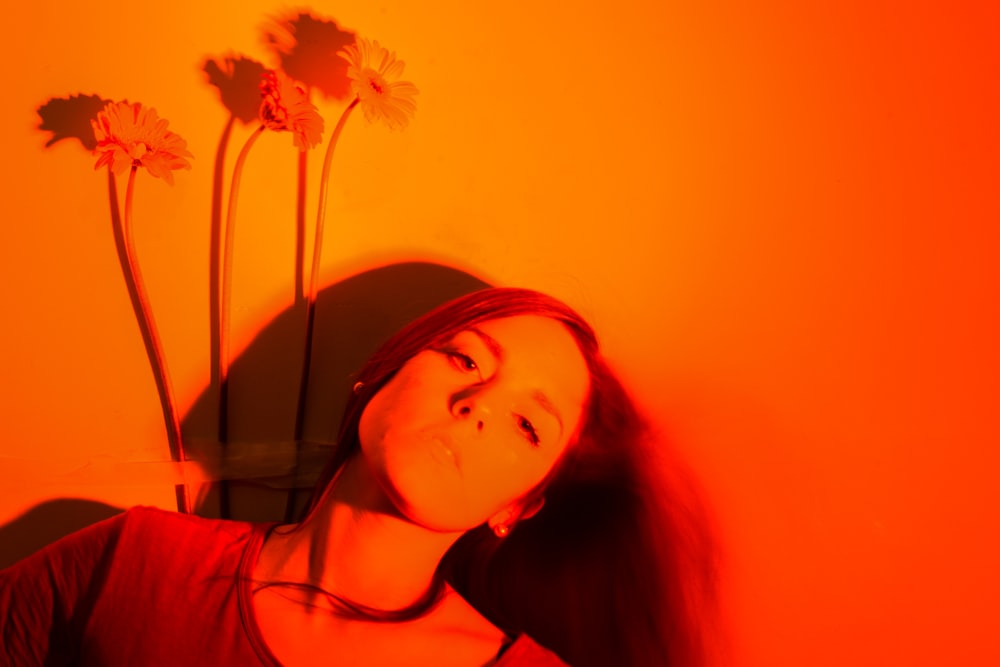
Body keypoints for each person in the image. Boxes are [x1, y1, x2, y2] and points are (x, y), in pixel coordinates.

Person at [0, 287, 720, 666]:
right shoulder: (134, 563)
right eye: (466, 359)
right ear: (380, 374)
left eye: (527, 424)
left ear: (521, 506)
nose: (474, 405)